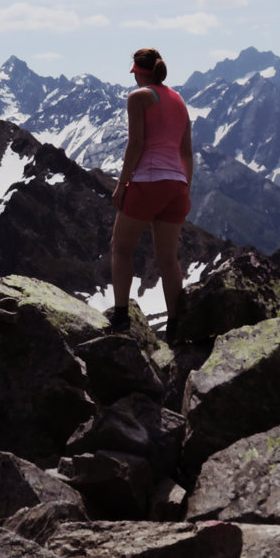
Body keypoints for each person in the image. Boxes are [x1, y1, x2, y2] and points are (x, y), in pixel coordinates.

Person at [108, 46, 193, 339]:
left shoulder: (139, 97)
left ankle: (121, 318)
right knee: (168, 258)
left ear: (137, 72)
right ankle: (176, 325)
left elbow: (136, 144)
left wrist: (121, 185)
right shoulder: (179, 100)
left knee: (121, 248)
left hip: (148, 181)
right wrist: (185, 188)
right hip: (177, 186)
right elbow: (186, 152)